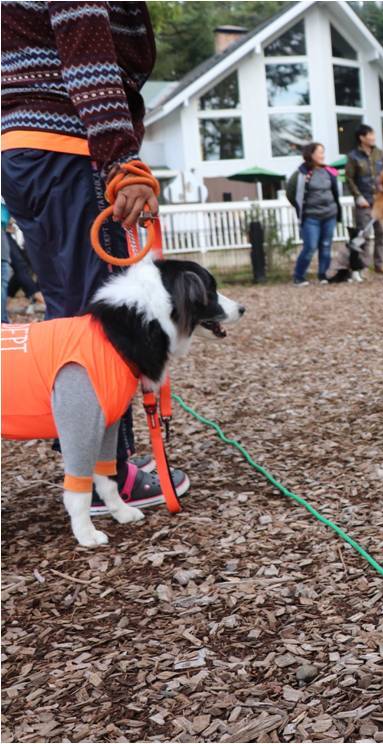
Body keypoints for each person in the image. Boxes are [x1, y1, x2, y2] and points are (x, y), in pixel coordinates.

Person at [1, 0, 188, 513]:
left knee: (74, 314)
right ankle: (104, 477)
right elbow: (84, 51)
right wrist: (120, 159)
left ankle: (94, 465)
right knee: (96, 324)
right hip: (66, 146)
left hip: (28, 146)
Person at [286, 142, 342, 286]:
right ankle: (299, 276)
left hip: (329, 215)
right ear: (311, 154)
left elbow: (335, 192)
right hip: (311, 217)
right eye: (320, 152)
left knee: (326, 245)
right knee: (310, 247)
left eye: (323, 152)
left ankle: (323, 275)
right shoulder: (301, 174)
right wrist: (300, 207)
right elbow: (290, 193)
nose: (322, 155)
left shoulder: (329, 171)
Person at [343, 125, 383, 276]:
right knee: (365, 234)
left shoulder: (380, 153)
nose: (373, 137)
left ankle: (380, 264)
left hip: (379, 200)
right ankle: (363, 266)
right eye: (370, 134)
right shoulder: (353, 156)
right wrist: (358, 196)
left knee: (381, 232)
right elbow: (349, 178)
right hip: (364, 201)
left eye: (373, 134)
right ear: (362, 138)